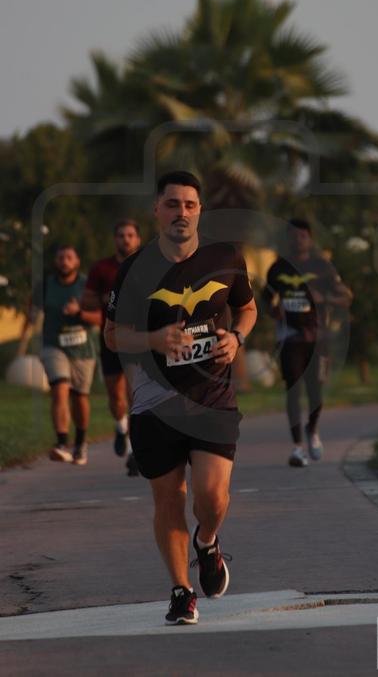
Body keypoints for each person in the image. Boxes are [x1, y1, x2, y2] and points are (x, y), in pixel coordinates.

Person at [104, 171, 257, 626]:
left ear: (200, 211)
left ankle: (207, 542)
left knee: (212, 497)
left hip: (212, 394)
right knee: (168, 499)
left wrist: (237, 338)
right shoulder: (135, 269)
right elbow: (112, 335)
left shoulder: (225, 257)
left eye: (189, 205)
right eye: (172, 204)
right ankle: (181, 591)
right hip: (155, 398)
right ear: (157, 210)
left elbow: (247, 308)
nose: (181, 213)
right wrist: (153, 339)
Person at [264, 219, 352, 467]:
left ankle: (312, 430)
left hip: (318, 338)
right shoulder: (278, 267)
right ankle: (297, 447)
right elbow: (265, 299)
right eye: (294, 235)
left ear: (310, 239)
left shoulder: (322, 266)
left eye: (303, 235)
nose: (298, 239)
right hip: (289, 337)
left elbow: (346, 297)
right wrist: (274, 310)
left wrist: (324, 298)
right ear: (288, 239)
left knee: (315, 391)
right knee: (293, 389)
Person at [82, 219, 142, 475]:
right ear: (115, 239)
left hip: (138, 337)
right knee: (115, 397)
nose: (125, 239)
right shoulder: (101, 268)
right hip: (111, 337)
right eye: (121, 235)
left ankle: (134, 452)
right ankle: (120, 427)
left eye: (130, 235)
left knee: (134, 394)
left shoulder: (147, 265)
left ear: (138, 239)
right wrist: (104, 299)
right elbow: (87, 302)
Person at [32, 245, 97, 465]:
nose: (64, 261)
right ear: (55, 261)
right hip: (53, 346)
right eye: (60, 257)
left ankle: (80, 442)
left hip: (83, 349)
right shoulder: (45, 285)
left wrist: (79, 313)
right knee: (59, 389)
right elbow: (33, 308)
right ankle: (61, 443)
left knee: (79, 397)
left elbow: (101, 318)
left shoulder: (87, 285)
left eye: (69, 257)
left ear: (77, 262)